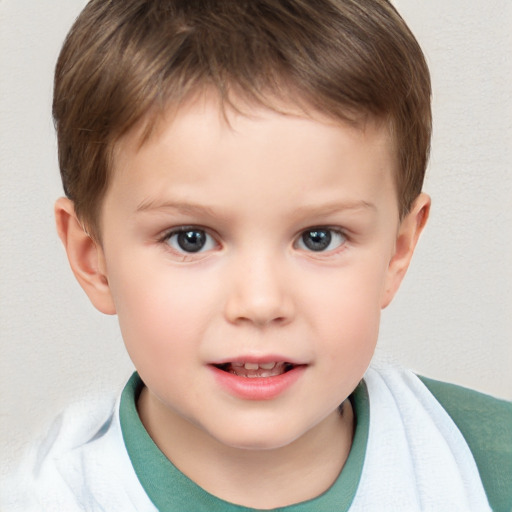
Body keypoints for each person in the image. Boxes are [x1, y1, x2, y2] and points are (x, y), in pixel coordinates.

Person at [2, 0, 511, 510]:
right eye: (190, 239)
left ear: (397, 252)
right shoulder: (43, 499)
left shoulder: (487, 469)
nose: (261, 302)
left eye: (319, 237)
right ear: (94, 259)